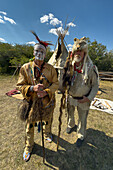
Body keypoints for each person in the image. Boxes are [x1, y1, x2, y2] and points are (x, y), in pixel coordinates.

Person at [16, 40, 59, 161]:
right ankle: (29, 146)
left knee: (48, 120)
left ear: (45, 54)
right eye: (37, 50)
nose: (39, 53)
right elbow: (19, 85)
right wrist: (31, 88)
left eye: (42, 51)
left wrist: (46, 91)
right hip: (31, 103)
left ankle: (47, 134)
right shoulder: (25, 68)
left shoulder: (51, 69)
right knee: (29, 125)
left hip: (46, 102)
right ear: (33, 52)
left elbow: (56, 83)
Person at [62, 37, 99, 147]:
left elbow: (95, 85)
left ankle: (81, 135)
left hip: (84, 99)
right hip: (71, 97)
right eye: (76, 51)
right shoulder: (69, 66)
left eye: (80, 51)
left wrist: (88, 98)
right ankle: (70, 125)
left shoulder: (91, 68)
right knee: (70, 113)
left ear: (84, 53)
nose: (78, 53)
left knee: (82, 118)